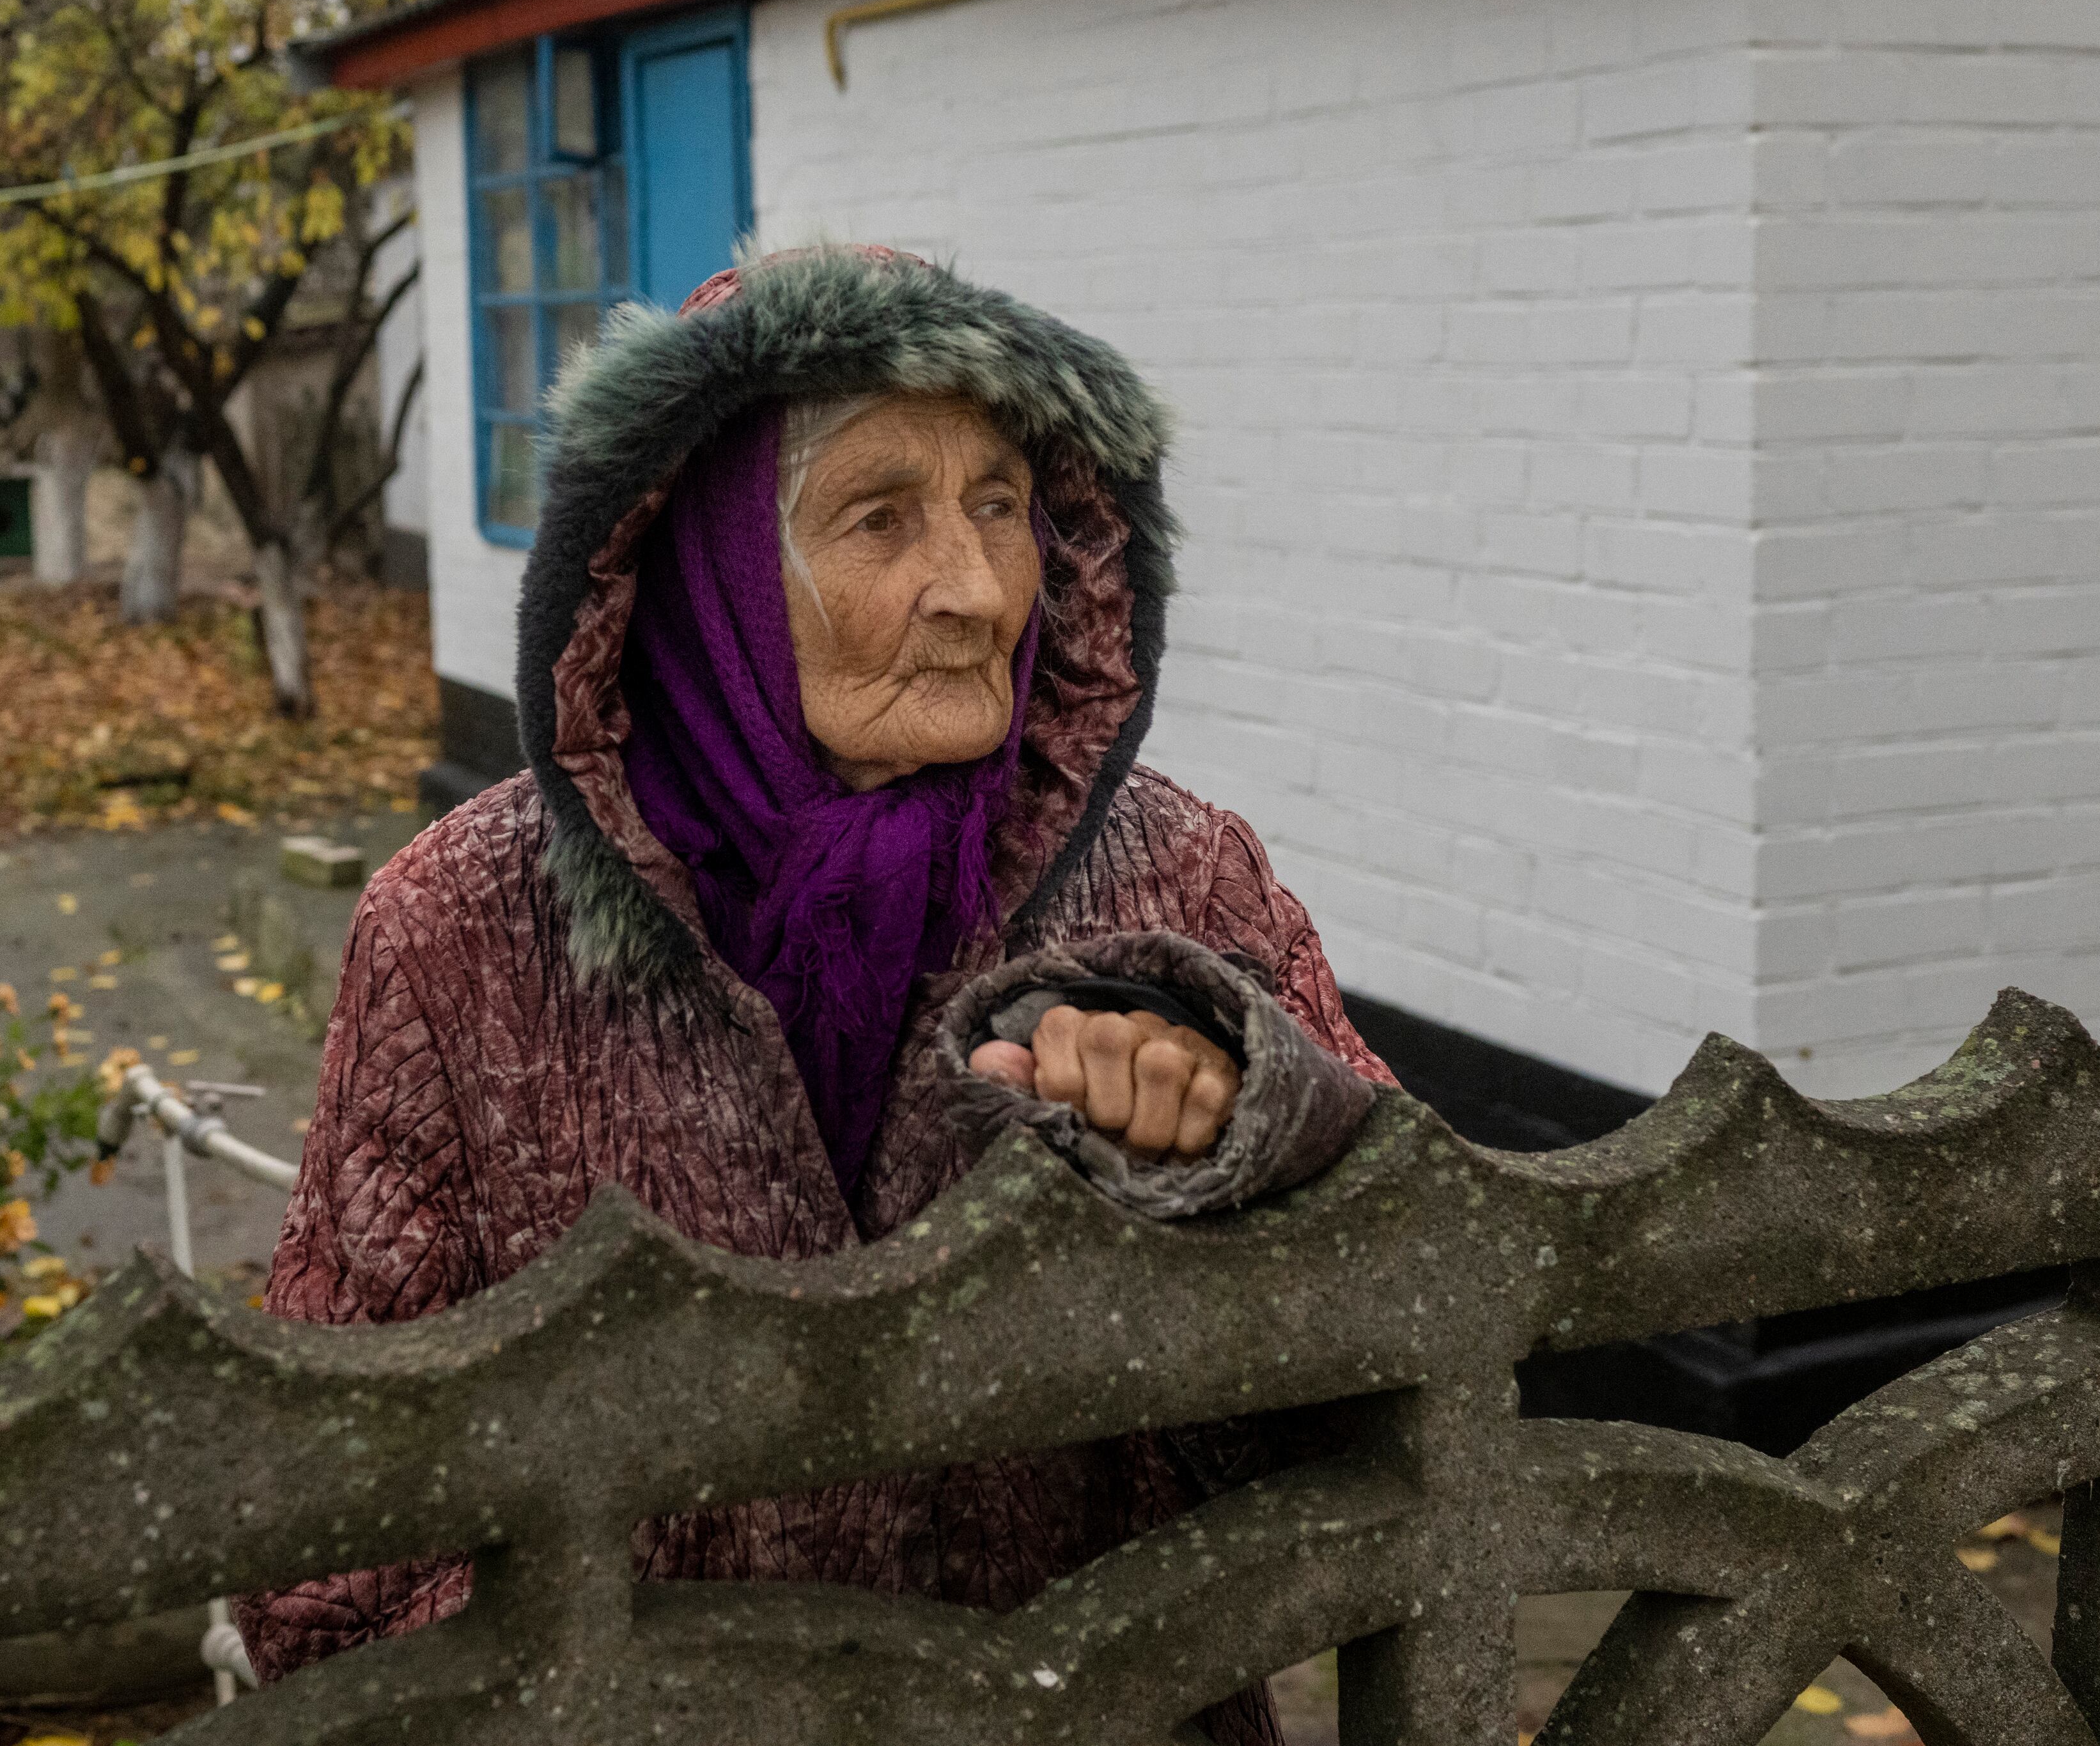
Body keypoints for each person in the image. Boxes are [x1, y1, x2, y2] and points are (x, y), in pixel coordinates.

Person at [240, 247, 1395, 1743]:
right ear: (707, 559)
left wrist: (1247, 1133)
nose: (976, 590)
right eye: (879, 516)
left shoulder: (1173, 873)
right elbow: (336, 1525)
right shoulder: (461, 924)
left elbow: (1401, 1361)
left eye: (1001, 505)